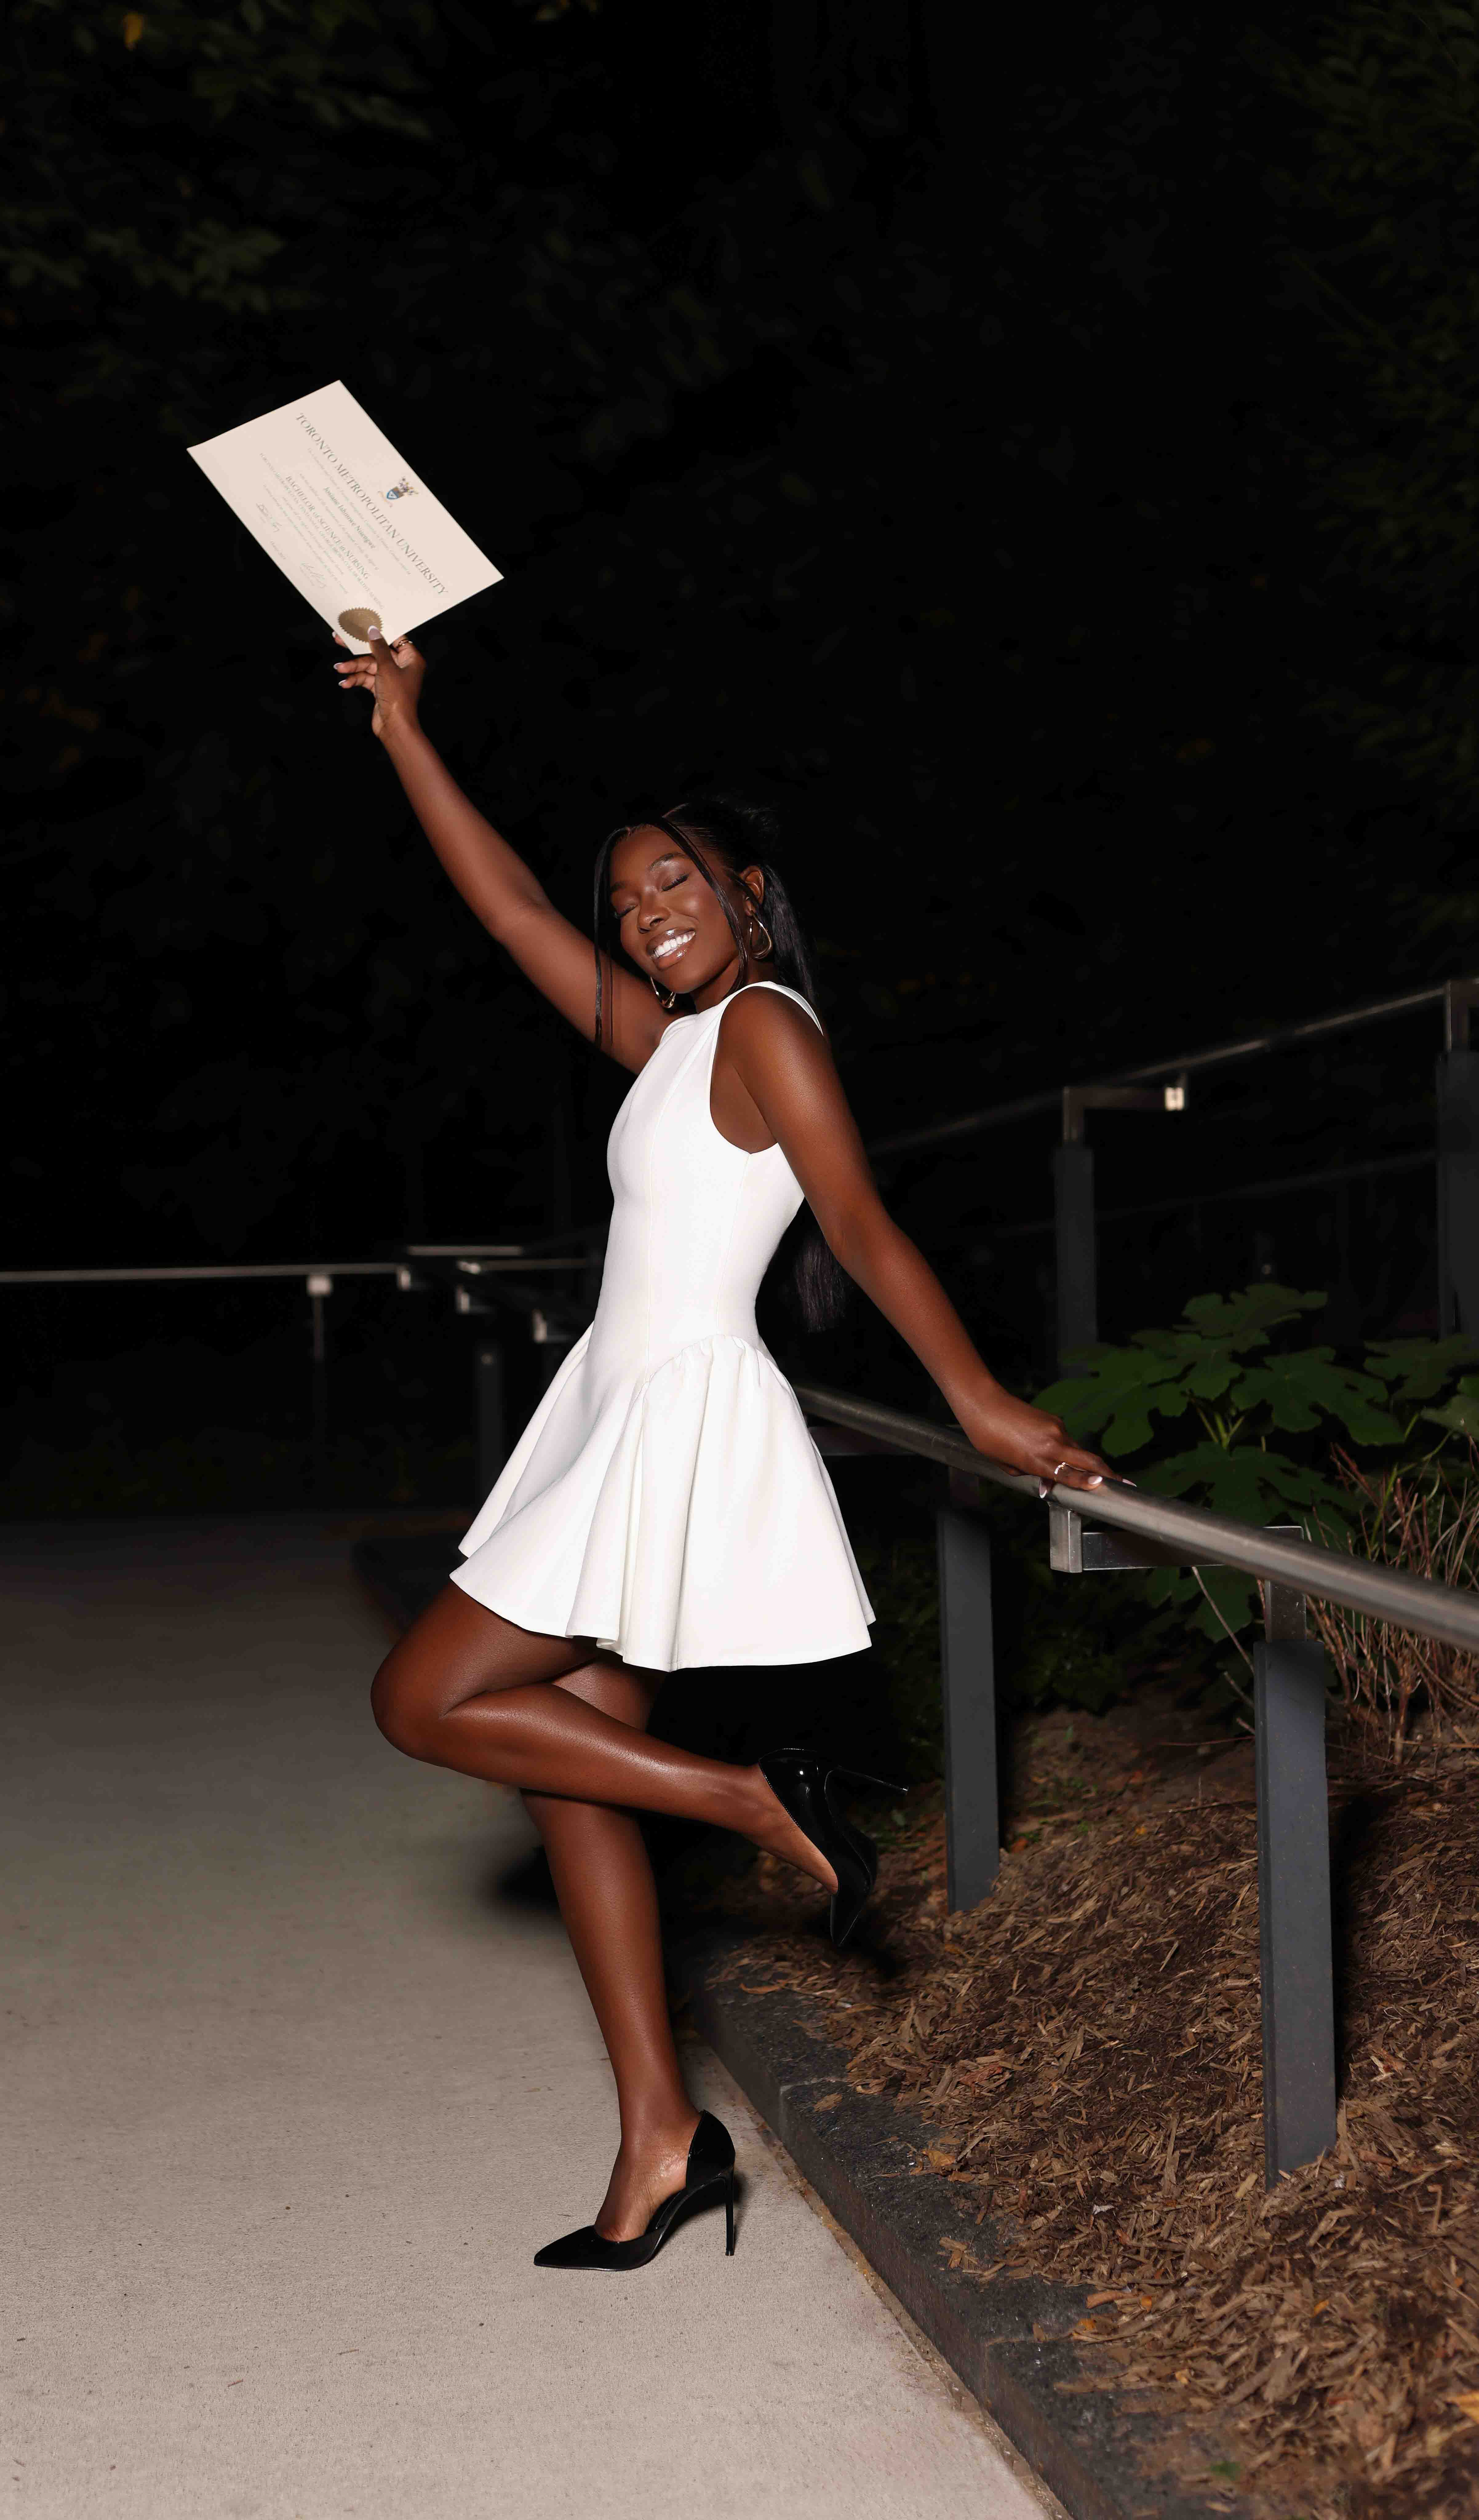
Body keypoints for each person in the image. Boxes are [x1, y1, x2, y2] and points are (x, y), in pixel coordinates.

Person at [337, 628, 1112, 2273]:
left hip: (677, 1409)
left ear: (748, 889)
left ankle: (750, 1799)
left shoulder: (763, 1026)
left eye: (673, 880)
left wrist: (977, 1403)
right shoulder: (671, 1037)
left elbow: (860, 1224)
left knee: (425, 1700)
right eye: (627, 898)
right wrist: (405, 725)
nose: (642, 913)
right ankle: (660, 2141)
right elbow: (505, 916)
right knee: (561, 1781)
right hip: (614, 1407)